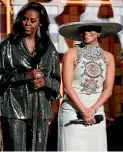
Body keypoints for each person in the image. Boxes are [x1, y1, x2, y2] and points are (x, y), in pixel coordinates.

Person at [0, 2, 61, 151]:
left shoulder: (49, 48)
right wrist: (25, 76)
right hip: (12, 109)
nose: (27, 23)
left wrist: (45, 82)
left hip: (40, 110)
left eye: (32, 20)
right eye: (24, 18)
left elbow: (56, 82)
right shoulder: (6, 45)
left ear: (41, 23)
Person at [57, 12, 122, 151]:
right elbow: (67, 87)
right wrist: (84, 111)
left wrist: (92, 110)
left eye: (91, 28)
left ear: (99, 32)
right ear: (79, 33)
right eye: (83, 29)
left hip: (97, 113)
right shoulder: (71, 53)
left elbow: (108, 90)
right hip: (72, 112)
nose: (87, 32)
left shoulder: (108, 57)